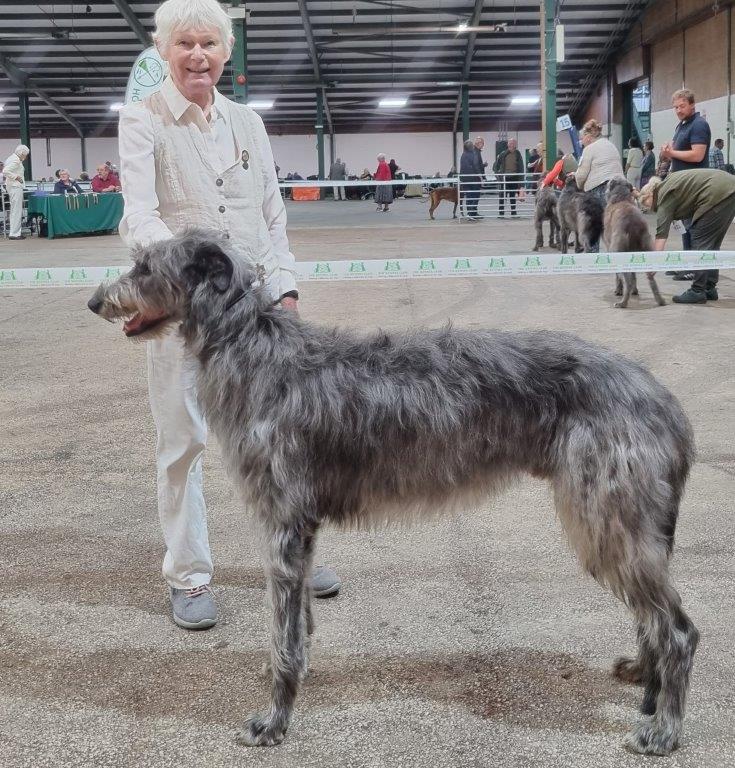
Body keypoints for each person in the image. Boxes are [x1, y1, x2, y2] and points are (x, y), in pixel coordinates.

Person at [117, 0, 340, 631]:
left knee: (285, 441)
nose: (197, 55)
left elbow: (271, 212)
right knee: (183, 444)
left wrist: (287, 284)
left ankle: (295, 552)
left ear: (225, 54)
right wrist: (186, 277)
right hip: (182, 312)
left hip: (260, 313)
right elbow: (139, 216)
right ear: (164, 51)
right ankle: (189, 575)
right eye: (184, 43)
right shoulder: (142, 120)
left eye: (209, 44)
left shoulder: (248, 123)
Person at [640, 169, 735, 303]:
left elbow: (661, 235)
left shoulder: (662, 196)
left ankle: (697, 291)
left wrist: (654, 265)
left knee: (700, 240)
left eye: (646, 204)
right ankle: (709, 288)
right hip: (729, 188)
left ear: (649, 195)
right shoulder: (668, 184)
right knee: (712, 244)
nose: (649, 209)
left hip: (716, 192)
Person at [3, 144, 30, 240]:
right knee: (16, 210)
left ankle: (14, 232)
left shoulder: (11, 158)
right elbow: (5, 171)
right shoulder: (16, 160)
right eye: (25, 155)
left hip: (12, 186)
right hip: (15, 186)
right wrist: (16, 177)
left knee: (15, 210)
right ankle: (15, 233)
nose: (26, 157)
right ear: (22, 153)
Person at [493, 138, 524, 217]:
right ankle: (501, 213)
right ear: (507, 144)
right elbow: (495, 166)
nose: (511, 144)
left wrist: (521, 182)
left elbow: (521, 167)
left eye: (513, 143)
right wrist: (498, 175)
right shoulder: (503, 154)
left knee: (512, 196)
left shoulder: (518, 154)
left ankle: (513, 213)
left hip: (514, 177)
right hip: (504, 178)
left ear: (515, 145)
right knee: (502, 196)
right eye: (510, 143)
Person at [460, 139, 483, 220]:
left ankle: (470, 213)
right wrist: (481, 177)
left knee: (469, 196)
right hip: (474, 179)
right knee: (475, 195)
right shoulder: (473, 154)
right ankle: (472, 213)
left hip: (465, 180)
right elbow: (476, 166)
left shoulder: (463, 155)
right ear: (471, 147)